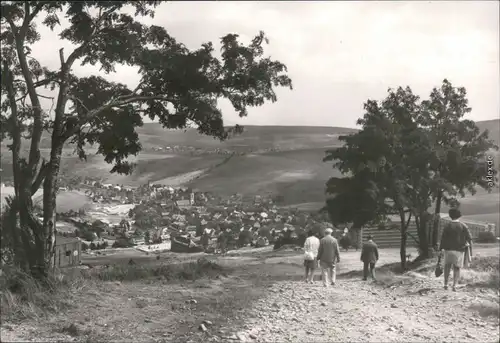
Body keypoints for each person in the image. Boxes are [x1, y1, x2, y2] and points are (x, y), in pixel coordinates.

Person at [439, 208, 473, 291]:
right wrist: (470, 250)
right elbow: (469, 238)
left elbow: (443, 239)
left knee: (447, 267)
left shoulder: (447, 226)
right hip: (459, 250)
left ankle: (446, 284)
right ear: (459, 216)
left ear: (450, 216)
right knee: (457, 268)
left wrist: (441, 249)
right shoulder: (463, 226)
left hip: (448, 250)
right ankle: (454, 285)